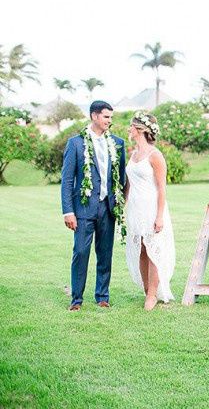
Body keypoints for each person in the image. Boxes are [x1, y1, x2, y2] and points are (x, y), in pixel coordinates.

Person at [61, 100, 126, 311]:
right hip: (83, 209)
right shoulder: (76, 143)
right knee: (80, 252)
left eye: (111, 117)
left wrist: (119, 204)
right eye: (106, 117)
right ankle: (76, 299)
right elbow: (67, 180)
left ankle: (102, 296)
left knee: (105, 254)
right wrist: (68, 211)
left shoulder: (117, 143)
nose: (110, 121)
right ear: (94, 116)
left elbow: (121, 178)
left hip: (108, 209)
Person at [124, 111, 176, 310]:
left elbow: (162, 187)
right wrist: (123, 203)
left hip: (151, 207)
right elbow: (129, 183)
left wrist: (159, 216)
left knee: (153, 249)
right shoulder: (133, 154)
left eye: (131, 126)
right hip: (135, 208)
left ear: (139, 130)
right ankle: (147, 291)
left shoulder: (156, 156)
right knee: (140, 249)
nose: (129, 129)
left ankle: (153, 295)